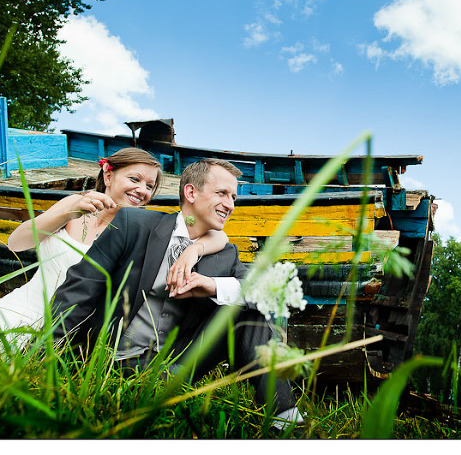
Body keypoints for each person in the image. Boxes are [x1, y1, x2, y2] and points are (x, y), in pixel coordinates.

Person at [51, 158, 303, 428]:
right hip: (113, 358)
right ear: (191, 192)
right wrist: (46, 354)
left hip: (176, 366)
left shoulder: (225, 254)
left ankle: (284, 419)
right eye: (221, 193)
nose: (230, 205)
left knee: (248, 311)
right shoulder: (133, 224)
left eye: (233, 197)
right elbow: (81, 286)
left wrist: (213, 286)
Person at [0, 148, 229, 341]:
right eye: (135, 179)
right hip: (21, 307)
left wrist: (193, 249)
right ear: (108, 174)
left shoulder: (144, 227)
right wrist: (69, 211)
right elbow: (17, 243)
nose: (142, 190)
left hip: (72, 327)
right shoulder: (72, 205)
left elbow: (216, 233)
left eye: (150, 186)